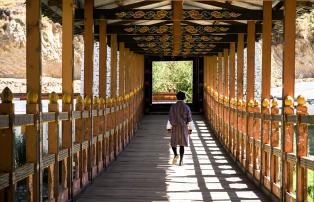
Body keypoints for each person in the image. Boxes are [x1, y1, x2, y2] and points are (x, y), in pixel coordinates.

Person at [166, 91, 194, 166]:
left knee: (173, 143)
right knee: (182, 144)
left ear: (176, 97)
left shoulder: (173, 107)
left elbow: (170, 117)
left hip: (175, 127)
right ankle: (181, 160)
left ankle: (175, 154)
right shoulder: (186, 107)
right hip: (183, 127)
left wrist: (169, 127)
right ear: (184, 98)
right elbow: (189, 118)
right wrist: (190, 128)